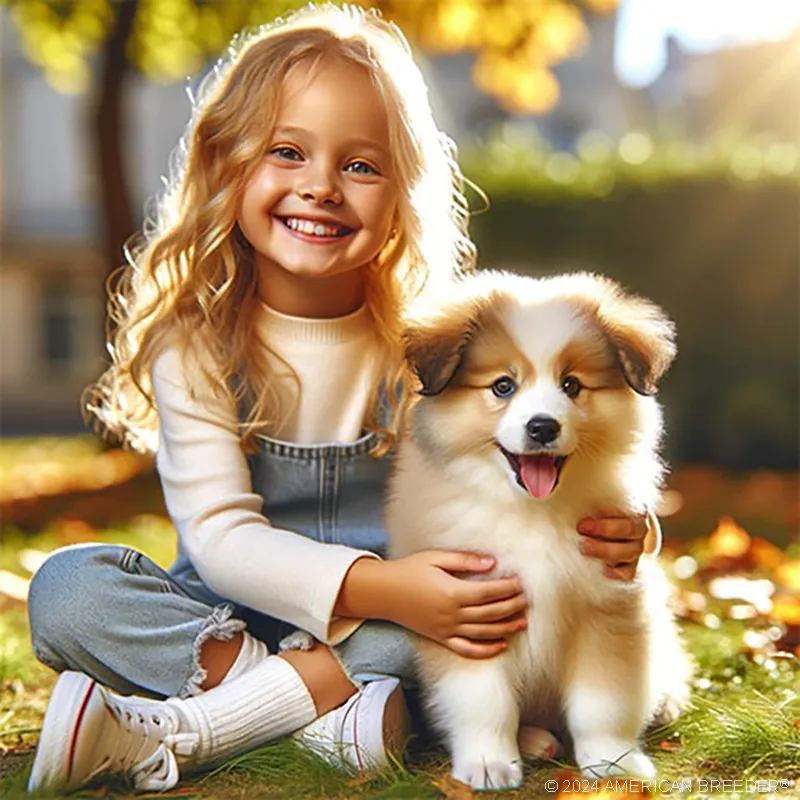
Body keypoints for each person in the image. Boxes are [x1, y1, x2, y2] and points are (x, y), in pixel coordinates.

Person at [26, 3, 659, 794]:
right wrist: (390, 591)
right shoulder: (193, 341)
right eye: (286, 152)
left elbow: (538, 487)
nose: (320, 187)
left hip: (396, 619)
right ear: (226, 164)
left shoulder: (429, 341)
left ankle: (195, 728)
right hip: (226, 612)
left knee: (439, 638)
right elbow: (221, 540)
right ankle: (326, 712)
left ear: (401, 193)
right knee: (67, 592)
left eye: (360, 165)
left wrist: (636, 533)